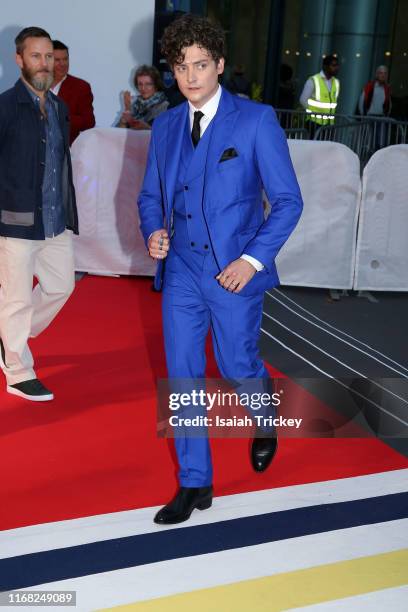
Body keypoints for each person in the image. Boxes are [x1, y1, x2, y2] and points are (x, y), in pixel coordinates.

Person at [138, 14, 303, 525]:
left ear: (220, 65)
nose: (191, 77)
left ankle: (265, 417)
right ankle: (195, 482)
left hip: (233, 272)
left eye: (202, 65)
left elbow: (288, 201)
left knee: (236, 365)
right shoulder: (165, 125)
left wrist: (251, 261)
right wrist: (153, 232)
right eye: (182, 66)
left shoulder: (254, 121)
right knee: (183, 374)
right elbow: (149, 197)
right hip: (182, 272)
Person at [0, 27, 78, 401]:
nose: (45, 63)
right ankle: (17, 369)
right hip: (14, 220)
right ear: (19, 60)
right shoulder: (4, 107)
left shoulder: (60, 108)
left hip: (54, 220)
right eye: (36, 56)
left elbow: (59, 163)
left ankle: (8, 334)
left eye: (49, 56)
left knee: (62, 285)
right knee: (16, 298)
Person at [51, 40, 95, 145]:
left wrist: (60, 117)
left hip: (67, 151)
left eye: (65, 59)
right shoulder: (35, 85)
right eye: (57, 60)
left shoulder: (81, 87)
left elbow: (89, 121)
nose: (63, 64)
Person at [117, 65, 169, 129]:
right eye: (140, 84)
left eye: (148, 84)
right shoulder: (135, 105)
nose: (143, 88)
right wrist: (126, 112)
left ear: (156, 85)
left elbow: (163, 134)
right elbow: (117, 134)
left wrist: (146, 127)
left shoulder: (165, 106)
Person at [299, 54, 340, 131]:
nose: (336, 68)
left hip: (329, 124)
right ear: (325, 66)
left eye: (337, 65)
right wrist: (313, 113)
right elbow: (302, 100)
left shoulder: (336, 82)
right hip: (314, 123)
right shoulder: (313, 80)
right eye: (333, 65)